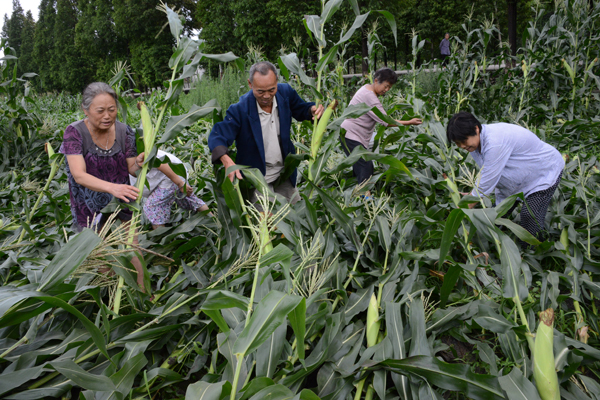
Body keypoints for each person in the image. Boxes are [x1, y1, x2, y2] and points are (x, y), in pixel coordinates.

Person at [61, 82, 145, 287]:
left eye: (112, 109)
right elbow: (79, 175)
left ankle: (143, 296)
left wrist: (139, 163)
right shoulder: (75, 133)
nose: (107, 115)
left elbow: (130, 168)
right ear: (86, 110)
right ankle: (108, 304)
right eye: (100, 111)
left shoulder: (125, 132)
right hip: (89, 207)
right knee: (102, 259)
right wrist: (112, 187)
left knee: (132, 250)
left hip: (122, 201)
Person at [208, 61, 324, 203]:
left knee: (295, 217)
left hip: (284, 173)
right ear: (250, 84)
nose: (267, 96)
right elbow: (218, 136)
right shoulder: (240, 110)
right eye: (260, 91)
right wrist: (227, 161)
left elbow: (301, 109)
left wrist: (312, 110)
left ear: (276, 81)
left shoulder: (285, 93)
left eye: (271, 90)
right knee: (267, 223)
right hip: (257, 178)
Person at [446, 112, 564, 243]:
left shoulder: (494, 142)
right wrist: (472, 194)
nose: (462, 146)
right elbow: (487, 173)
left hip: (542, 174)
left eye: (464, 140)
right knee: (496, 217)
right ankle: (494, 247)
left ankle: (533, 253)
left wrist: (460, 210)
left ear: (476, 129)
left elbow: (486, 183)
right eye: (458, 143)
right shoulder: (474, 146)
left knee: (530, 216)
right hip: (516, 181)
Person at [340, 68, 422, 194]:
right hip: (351, 136)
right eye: (386, 86)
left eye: (389, 87)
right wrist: (409, 122)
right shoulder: (369, 96)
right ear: (376, 80)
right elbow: (386, 121)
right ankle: (365, 199)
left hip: (350, 135)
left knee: (362, 166)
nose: (387, 90)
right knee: (365, 166)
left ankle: (355, 196)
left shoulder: (367, 88)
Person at [130, 150, 209, 230]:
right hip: (171, 175)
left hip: (169, 175)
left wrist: (179, 183)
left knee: (152, 206)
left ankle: (160, 237)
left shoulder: (129, 149)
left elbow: (159, 163)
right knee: (189, 200)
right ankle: (214, 220)